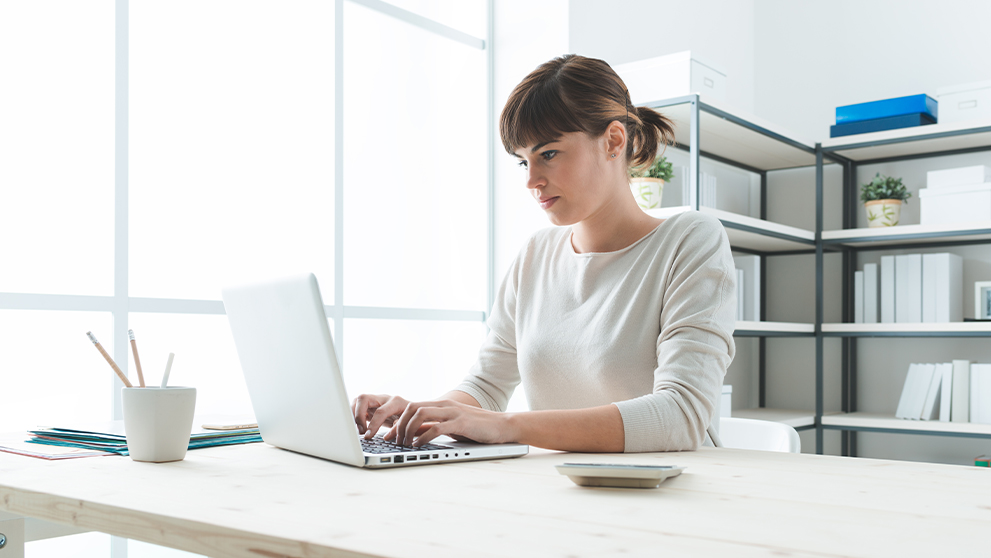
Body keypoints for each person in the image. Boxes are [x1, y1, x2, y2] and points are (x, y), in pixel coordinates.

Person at [351, 54, 736, 453]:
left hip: (672, 496)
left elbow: (680, 416)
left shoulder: (690, 241)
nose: (532, 180)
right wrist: (418, 413)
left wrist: (508, 426)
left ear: (613, 141)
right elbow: (486, 386)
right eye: (523, 161)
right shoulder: (537, 254)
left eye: (548, 153)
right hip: (562, 491)